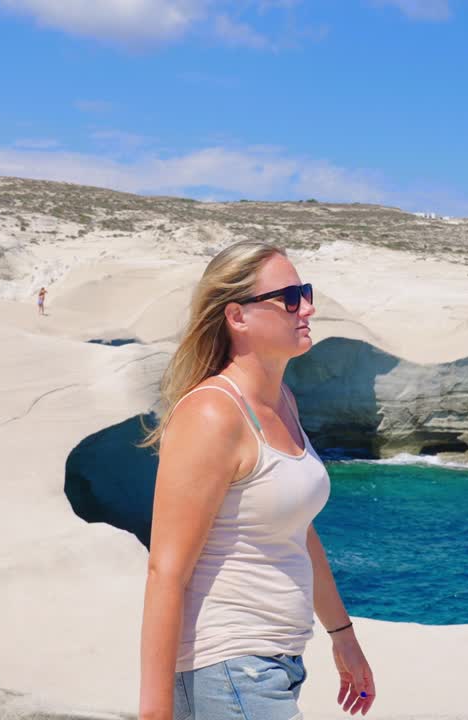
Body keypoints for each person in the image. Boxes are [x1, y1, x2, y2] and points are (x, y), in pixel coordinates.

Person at [139, 241, 376, 720]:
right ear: (237, 317)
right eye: (289, 298)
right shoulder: (212, 414)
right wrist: (154, 714)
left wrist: (342, 635)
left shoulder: (283, 399)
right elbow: (166, 571)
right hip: (227, 667)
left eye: (305, 292)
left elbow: (296, 529)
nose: (307, 307)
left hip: (274, 666)